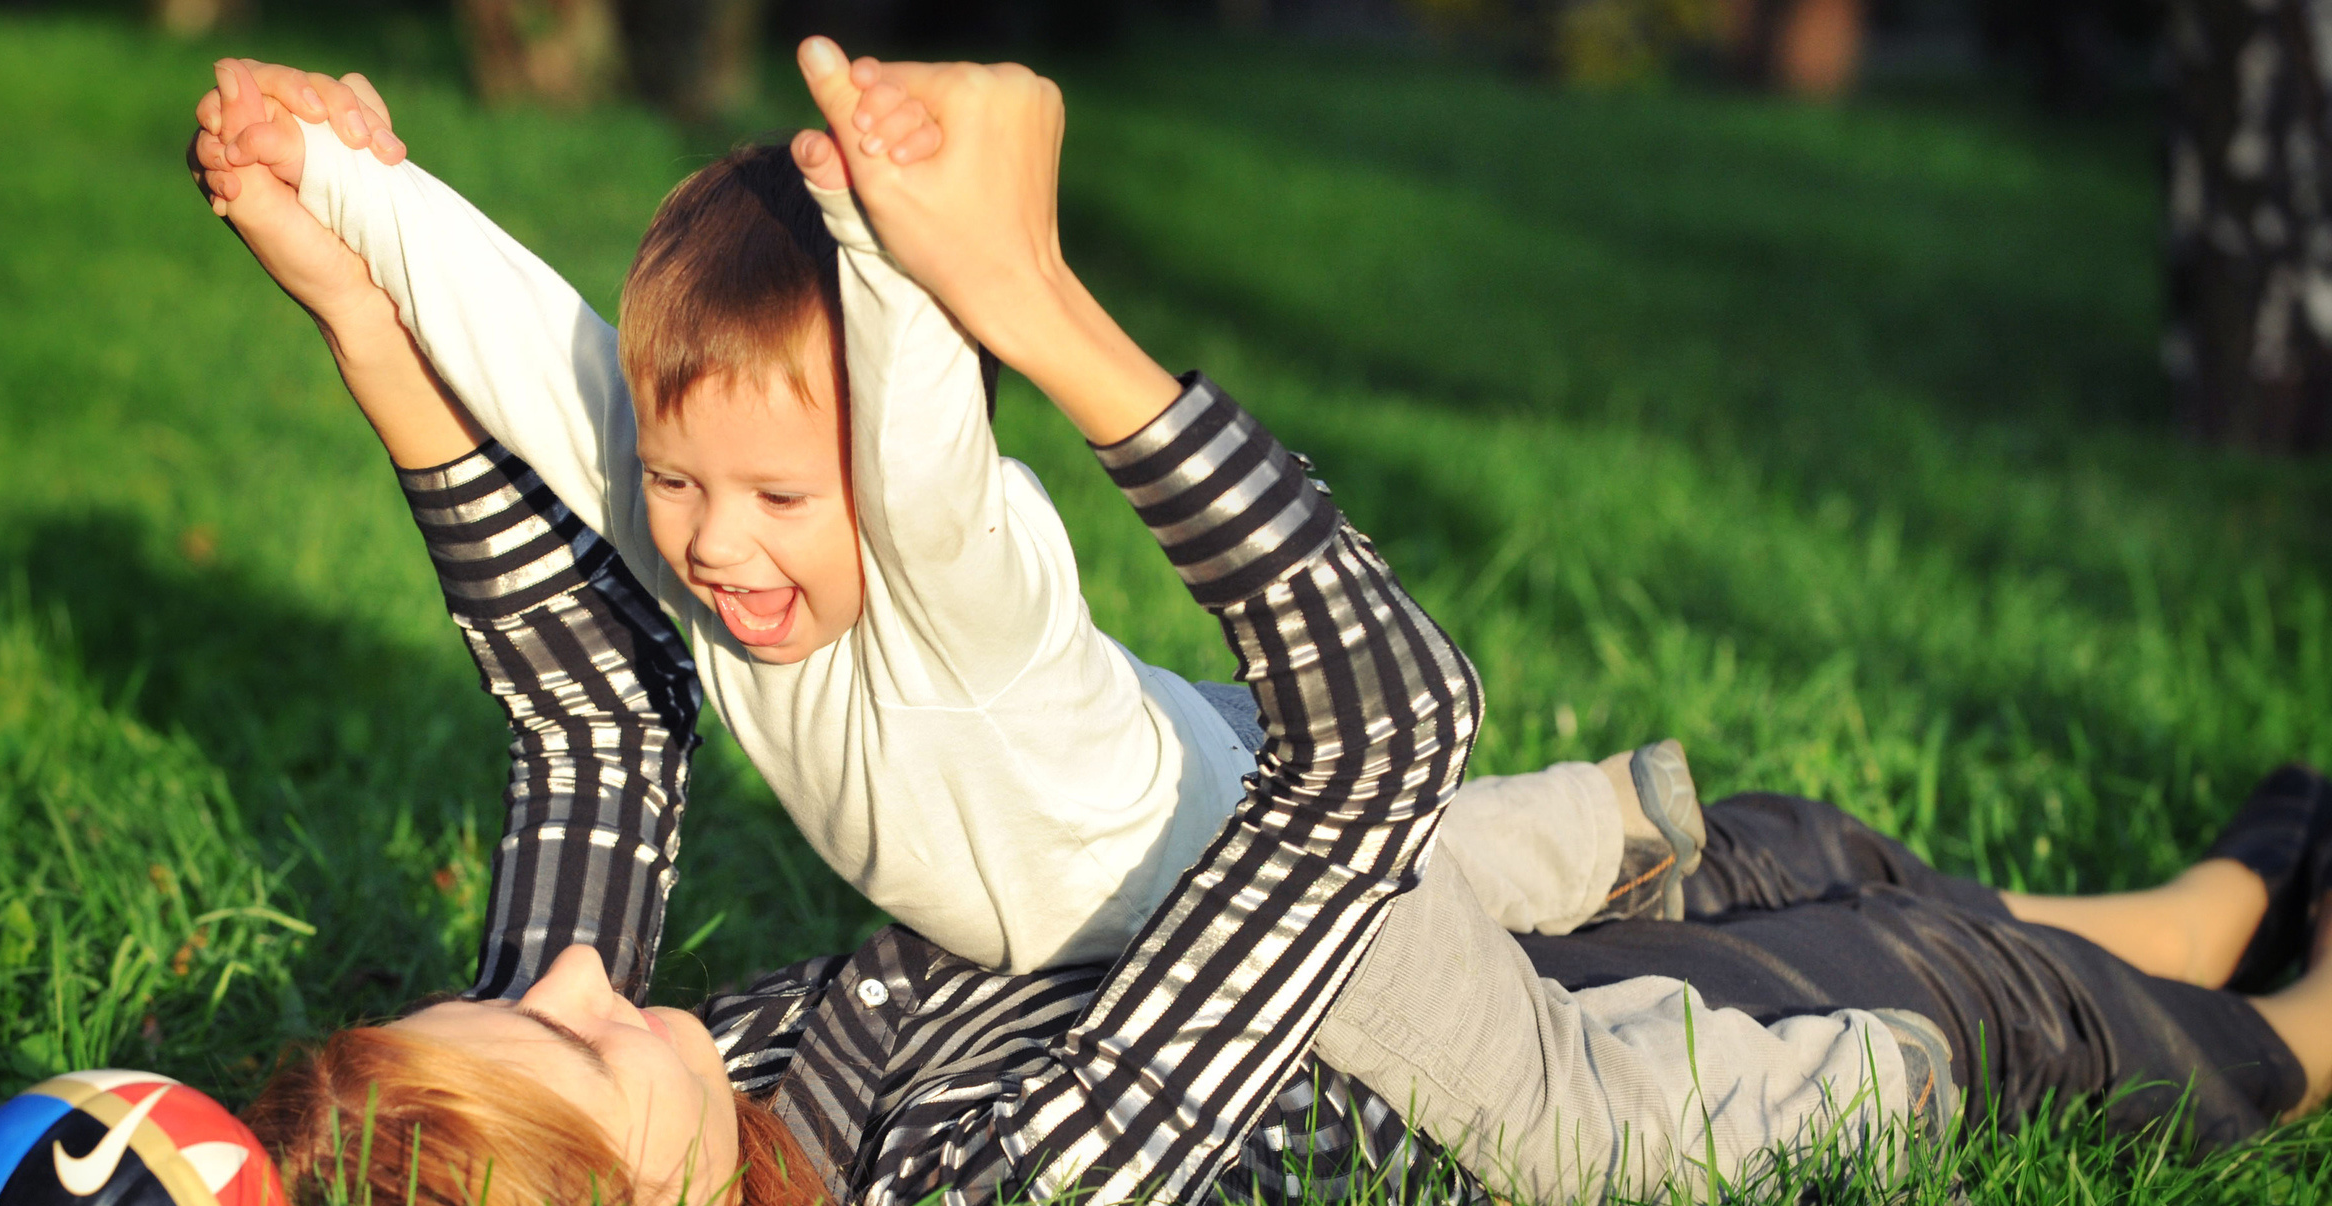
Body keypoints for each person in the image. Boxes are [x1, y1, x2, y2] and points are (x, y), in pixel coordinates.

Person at [237, 45, 2332, 1206]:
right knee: (1950, 1000)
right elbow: (1387, 739)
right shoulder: (1004, 1197)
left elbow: (592, 707)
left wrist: (366, 291)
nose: (592, 980)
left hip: (1343, 914)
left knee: (1765, 850)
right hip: (1516, 1077)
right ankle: (2287, 1016)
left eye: (521, 991)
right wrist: (1043, 312)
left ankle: (2214, 898)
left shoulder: (698, 1090)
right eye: (581, 1042)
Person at [189, 57, 1710, 998]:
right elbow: (525, 341)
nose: (713, 546)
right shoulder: (708, 525)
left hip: (1231, 850)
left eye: (782, 497)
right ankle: (1601, 824)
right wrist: (318, 170)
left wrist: (876, 217)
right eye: (675, 482)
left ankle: (1622, 818)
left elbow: (913, 426)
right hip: (1096, 846)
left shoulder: (948, 568)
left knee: (1452, 876)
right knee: (1457, 875)